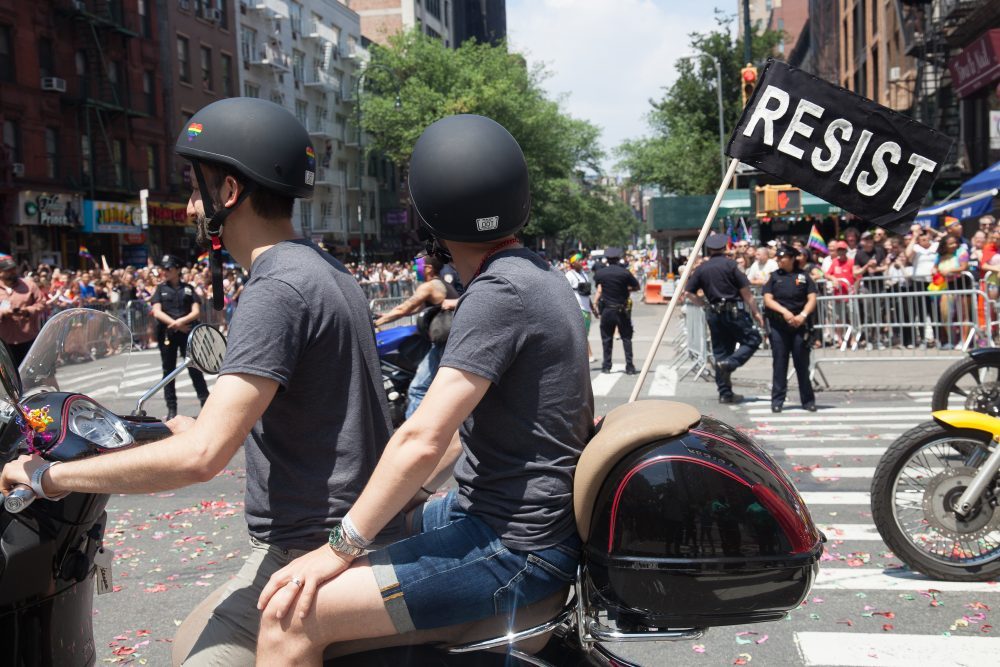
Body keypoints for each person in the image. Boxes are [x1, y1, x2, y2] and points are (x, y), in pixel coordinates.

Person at [1, 97, 404, 666]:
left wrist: (49, 477)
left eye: (195, 190)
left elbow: (202, 459)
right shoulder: (322, 269)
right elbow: (308, 410)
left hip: (315, 548)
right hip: (335, 532)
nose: (191, 205)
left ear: (229, 192)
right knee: (189, 635)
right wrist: (189, 427)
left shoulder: (275, 289)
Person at [246, 114, 591, 664]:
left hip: (514, 547)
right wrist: (400, 499)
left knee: (288, 620)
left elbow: (422, 438)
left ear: (429, 213)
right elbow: (458, 429)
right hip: (512, 519)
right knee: (386, 520)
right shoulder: (537, 274)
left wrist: (338, 548)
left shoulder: (497, 292)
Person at [374, 255, 459, 418]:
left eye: (417, 266)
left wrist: (376, 323)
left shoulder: (429, 286)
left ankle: (414, 429)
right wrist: (383, 316)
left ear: (428, 268)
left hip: (443, 343)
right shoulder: (441, 284)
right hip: (449, 341)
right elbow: (412, 309)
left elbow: (403, 309)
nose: (414, 269)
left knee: (418, 389)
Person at [685, 233, 764, 404]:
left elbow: (688, 293)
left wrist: (702, 304)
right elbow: (746, 292)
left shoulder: (702, 269)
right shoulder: (731, 265)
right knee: (753, 339)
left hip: (714, 313)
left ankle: (725, 393)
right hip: (734, 312)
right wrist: (756, 312)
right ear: (724, 247)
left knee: (720, 352)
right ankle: (731, 363)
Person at [150, 254, 210, 420]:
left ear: (177, 269)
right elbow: (157, 311)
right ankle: (172, 408)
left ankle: (205, 402)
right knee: (168, 371)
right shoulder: (160, 289)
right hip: (168, 333)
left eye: (168, 268)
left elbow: (196, 311)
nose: (164, 271)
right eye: (163, 269)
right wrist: (176, 324)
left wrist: (182, 322)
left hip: (187, 333)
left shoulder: (188, 288)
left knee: (194, 368)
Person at [763, 246, 818, 413]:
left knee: (802, 364)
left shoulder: (804, 276)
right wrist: (784, 312)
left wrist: (803, 315)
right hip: (779, 326)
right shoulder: (774, 277)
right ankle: (777, 400)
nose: (779, 260)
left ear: (792, 258)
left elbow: (812, 298)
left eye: (783, 258)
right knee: (780, 364)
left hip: (799, 325)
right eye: (778, 258)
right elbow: (768, 300)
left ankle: (808, 401)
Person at [594, 249, 640, 374]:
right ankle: (629, 366)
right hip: (621, 310)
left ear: (607, 260)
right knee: (626, 338)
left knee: (607, 339)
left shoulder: (601, 273)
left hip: (607, 310)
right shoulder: (625, 273)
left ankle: (606, 366)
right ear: (618, 259)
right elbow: (637, 286)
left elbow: (598, 287)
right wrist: (626, 289)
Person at [0, 253, 46, 366]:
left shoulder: (29, 285)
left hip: (28, 338)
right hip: (4, 342)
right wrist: (3, 313)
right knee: (10, 374)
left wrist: (28, 310)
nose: (13, 272)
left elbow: (42, 303)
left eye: (13, 269)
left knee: (32, 372)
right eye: (8, 270)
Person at [565, 252, 598, 362]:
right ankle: (587, 355)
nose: (582, 262)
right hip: (577, 310)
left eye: (582, 260)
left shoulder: (584, 274)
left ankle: (580, 356)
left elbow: (587, 294)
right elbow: (565, 294)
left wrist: (593, 308)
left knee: (585, 334)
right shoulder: (569, 275)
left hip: (586, 309)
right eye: (579, 260)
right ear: (573, 263)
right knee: (581, 334)